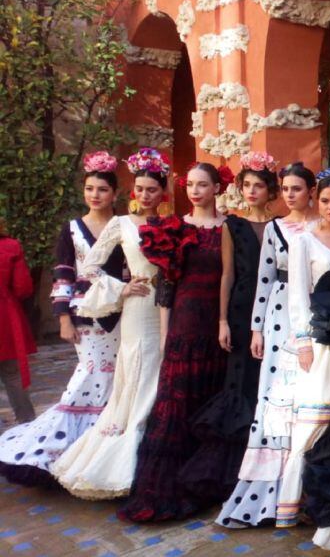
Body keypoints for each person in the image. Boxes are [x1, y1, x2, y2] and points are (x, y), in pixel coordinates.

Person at [0, 152, 125, 486]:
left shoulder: (124, 226)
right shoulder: (71, 229)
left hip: (122, 315)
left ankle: (106, 451)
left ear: (114, 193)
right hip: (84, 315)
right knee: (89, 375)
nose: (95, 195)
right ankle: (64, 448)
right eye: (89, 188)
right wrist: (63, 319)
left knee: (118, 380)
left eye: (101, 189)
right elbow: (63, 275)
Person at [52, 148, 167, 499]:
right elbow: (89, 266)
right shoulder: (121, 224)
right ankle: (124, 448)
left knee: (160, 368)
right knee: (136, 369)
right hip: (134, 306)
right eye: (140, 189)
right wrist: (121, 286)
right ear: (132, 191)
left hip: (165, 307)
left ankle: (158, 444)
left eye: (152, 189)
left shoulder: (172, 224)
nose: (145, 195)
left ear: (163, 193)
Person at [117, 162, 228, 521]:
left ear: (216, 188)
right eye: (190, 184)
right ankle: (170, 488)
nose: (195, 191)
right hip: (182, 323)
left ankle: (206, 484)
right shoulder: (174, 227)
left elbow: (232, 278)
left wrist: (226, 323)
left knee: (210, 401)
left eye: (202, 185)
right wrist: (166, 334)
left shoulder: (229, 227)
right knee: (175, 405)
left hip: (217, 326)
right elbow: (167, 284)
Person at [216, 161, 319, 528]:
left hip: (316, 316)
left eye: (298, 188)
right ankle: (269, 492)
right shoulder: (275, 229)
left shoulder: (325, 226)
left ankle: (307, 488)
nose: (291, 194)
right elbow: (263, 278)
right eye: (287, 188)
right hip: (279, 316)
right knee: (276, 396)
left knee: (309, 396)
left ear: (311, 192)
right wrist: (257, 329)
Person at [179, 152, 279, 502]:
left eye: (259, 186)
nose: (252, 191)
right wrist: (222, 321)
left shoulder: (281, 225)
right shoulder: (231, 226)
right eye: (246, 185)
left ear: (271, 191)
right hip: (238, 312)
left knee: (266, 385)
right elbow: (227, 275)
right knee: (238, 383)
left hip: (274, 314)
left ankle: (264, 468)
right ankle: (228, 473)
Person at [275, 168, 330, 529]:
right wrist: (304, 343)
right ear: (316, 201)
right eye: (325, 200)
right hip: (321, 344)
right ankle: (296, 501)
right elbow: (297, 297)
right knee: (314, 423)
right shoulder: (304, 241)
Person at [0, 219, 36, 429]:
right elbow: (23, 287)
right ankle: (27, 424)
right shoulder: (10, 246)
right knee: (12, 375)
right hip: (4, 317)